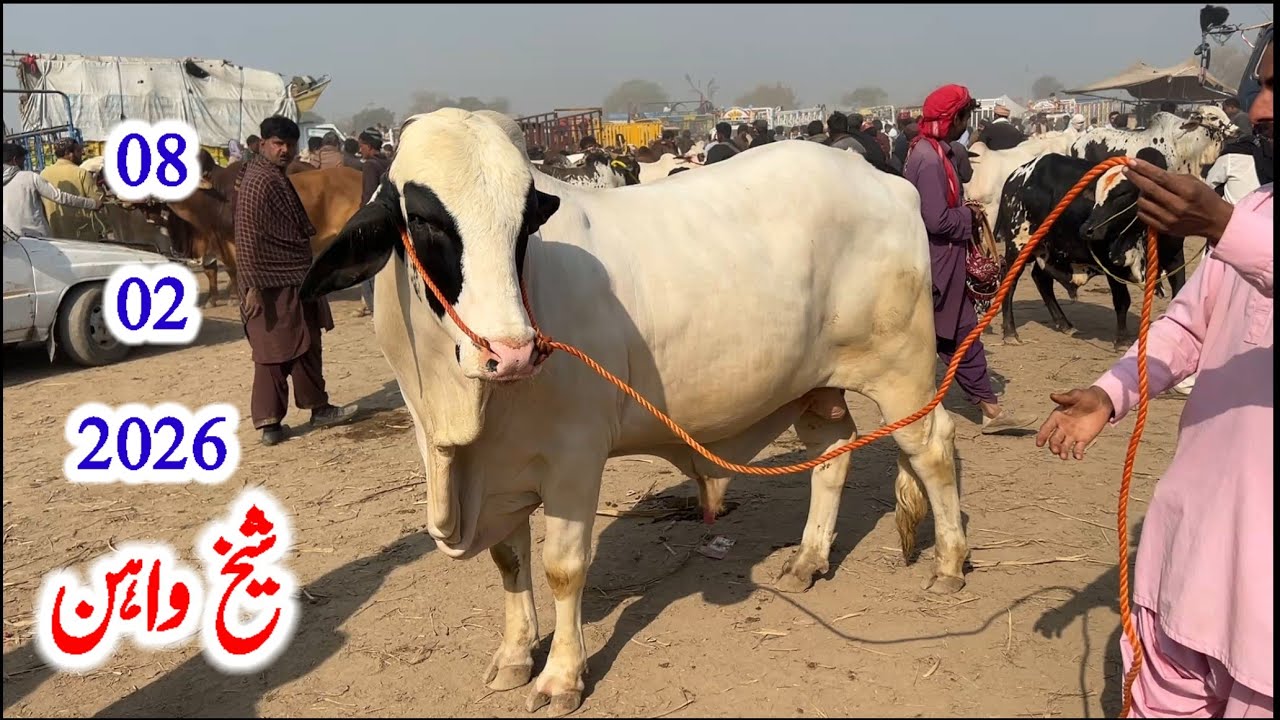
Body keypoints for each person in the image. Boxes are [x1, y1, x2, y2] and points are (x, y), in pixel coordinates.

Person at [1036, 37, 1273, 717]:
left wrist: (1221, 223)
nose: (1258, 110)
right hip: (1195, 545)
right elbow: (1190, 325)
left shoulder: (1240, 223)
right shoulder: (1259, 210)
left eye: (1278, 89)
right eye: (1259, 88)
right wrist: (1110, 392)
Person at [902, 84, 1036, 434]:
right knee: (940, 337)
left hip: (944, 262)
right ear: (955, 118)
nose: (967, 125)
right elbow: (936, 220)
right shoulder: (929, 160)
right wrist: (969, 216)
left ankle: (991, 410)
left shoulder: (934, 152)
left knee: (960, 333)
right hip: (936, 264)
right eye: (964, 117)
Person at [233, 116, 357, 446]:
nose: (284, 150)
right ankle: (272, 423)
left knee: (305, 343)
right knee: (273, 353)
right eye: (278, 144)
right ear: (263, 144)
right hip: (268, 283)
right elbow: (247, 238)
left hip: (294, 277)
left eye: (290, 144)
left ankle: (314, 409)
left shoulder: (272, 175)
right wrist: (252, 287)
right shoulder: (259, 181)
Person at [3, 142, 101, 237]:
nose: (23, 165)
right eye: (23, 161)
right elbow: (60, 197)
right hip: (37, 237)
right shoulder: (30, 178)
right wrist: (93, 204)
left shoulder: (44, 172)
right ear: (15, 160)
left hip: (11, 239)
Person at [353, 127, 390, 317]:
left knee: (367, 265)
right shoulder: (388, 162)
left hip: (373, 219)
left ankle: (374, 305)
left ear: (368, 146)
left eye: (361, 146)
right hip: (389, 217)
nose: (360, 150)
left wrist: (362, 220)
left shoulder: (370, 165)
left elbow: (369, 195)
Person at [40, 138, 104, 241]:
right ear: (68, 153)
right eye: (78, 151)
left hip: (55, 234)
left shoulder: (43, 174)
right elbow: (98, 200)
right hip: (82, 235)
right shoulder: (81, 173)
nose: (82, 154)